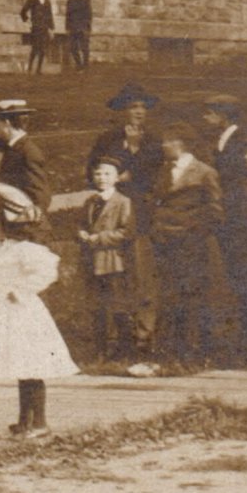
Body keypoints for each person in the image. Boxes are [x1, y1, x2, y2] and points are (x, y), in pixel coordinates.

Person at [87, 83, 163, 352]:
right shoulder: (107, 140)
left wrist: (134, 150)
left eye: (143, 107)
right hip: (110, 218)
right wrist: (119, 170)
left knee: (140, 276)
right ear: (122, 110)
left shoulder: (153, 140)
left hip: (140, 218)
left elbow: (154, 177)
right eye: (133, 107)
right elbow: (92, 173)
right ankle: (114, 339)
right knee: (112, 279)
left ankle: (143, 335)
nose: (139, 112)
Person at [0, 236, 80, 439]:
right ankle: (24, 421)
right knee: (22, 367)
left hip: (24, 311)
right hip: (8, 312)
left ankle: (39, 423)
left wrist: (20, 290)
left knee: (32, 366)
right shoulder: (5, 247)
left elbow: (48, 271)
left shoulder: (25, 248)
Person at [150, 123, 224, 366]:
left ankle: (196, 353)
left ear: (180, 143)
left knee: (193, 297)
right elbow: (158, 205)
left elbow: (215, 211)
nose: (163, 145)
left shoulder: (204, 172)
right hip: (166, 244)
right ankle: (173, 352)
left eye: (167, 141)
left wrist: (193, 233)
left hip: (192, 246)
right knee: (171, 297)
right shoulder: (164, 172)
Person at [203, 95, 247, 366]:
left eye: (209, 113)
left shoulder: (243, 140)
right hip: (230, 223)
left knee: (245, 281)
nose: (205, 118)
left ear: (222, 115)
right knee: (236, 281)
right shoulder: (221, 140)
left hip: (242, 222)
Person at [77, 156, 136, 361]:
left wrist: (99, 238)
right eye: (98, 173)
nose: (102, 178)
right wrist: (81, 233)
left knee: (118, 306)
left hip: (113, 261)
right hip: (92, 261)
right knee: (97, 307)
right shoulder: (90, 202)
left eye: (107, 174)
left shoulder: (123, 202)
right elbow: (82, 224)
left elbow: (126, 232)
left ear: (117, 178)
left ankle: (125, 350)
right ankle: (99, 351)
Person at [0, 100, 52, 244]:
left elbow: (40, 191)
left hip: (28, 228)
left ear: (6, 123)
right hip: (14, 222)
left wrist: (34, 214)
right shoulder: (15, 147)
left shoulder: (27, 151)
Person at [20, 0, 54, 75]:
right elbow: (23, 12)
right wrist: (28, 22)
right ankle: (29, 68)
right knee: (35, 48)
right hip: (35, 28)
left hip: (44, 28)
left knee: (43, 49)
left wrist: (51, 29)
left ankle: (38, 70)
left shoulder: (47, 2)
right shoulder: (33, 0)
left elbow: (50, 16)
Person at [65, 0, 91, 72]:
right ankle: (78, 65)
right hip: (73, 28)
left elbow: (89, 15)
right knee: (73, 48)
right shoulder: (70, 1)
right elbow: (68, 15)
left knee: (84, 48)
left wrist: (87, 28)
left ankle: (86, 66)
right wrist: (67, 28)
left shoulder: (86, 0)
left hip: (83, 28)